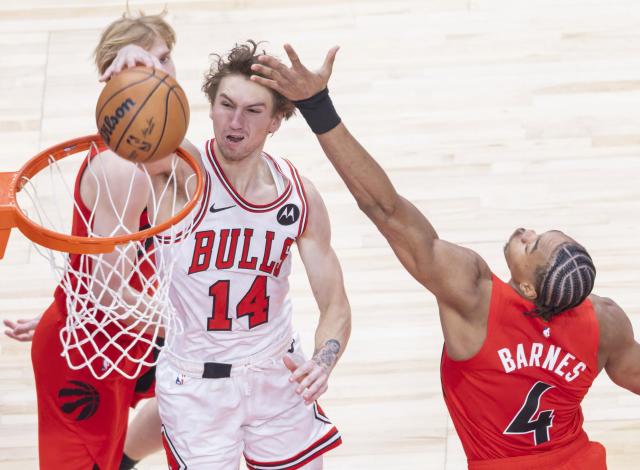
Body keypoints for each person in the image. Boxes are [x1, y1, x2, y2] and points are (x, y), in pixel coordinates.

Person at [250, 45, 640, 470]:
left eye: (532, 245)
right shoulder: (606, 322)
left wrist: (316, 105)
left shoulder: (474, 297)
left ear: (528, 288)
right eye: (539, 233)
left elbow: (385, 210)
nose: (527, 232)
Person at [122, 39, 350, 470]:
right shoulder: (178, 171)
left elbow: (335, 303)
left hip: (276, 372)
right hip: (196, 386)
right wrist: (130, 75)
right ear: (209, 107)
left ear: (277, 120)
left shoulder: (298, 197)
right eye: (226, 105)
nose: (235, 121)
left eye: (253, 111)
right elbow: (131, 123)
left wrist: (323, 361)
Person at [24, 12, 178, 470]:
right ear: (123, 83)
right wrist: (196, 329)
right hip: (85, 353)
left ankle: (123, 459)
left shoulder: (159, 148)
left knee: (189, 394)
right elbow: (108, 295)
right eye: (158, 61)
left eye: (169, 58)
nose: (169, 71)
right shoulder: (120, 168)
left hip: (121, 334)